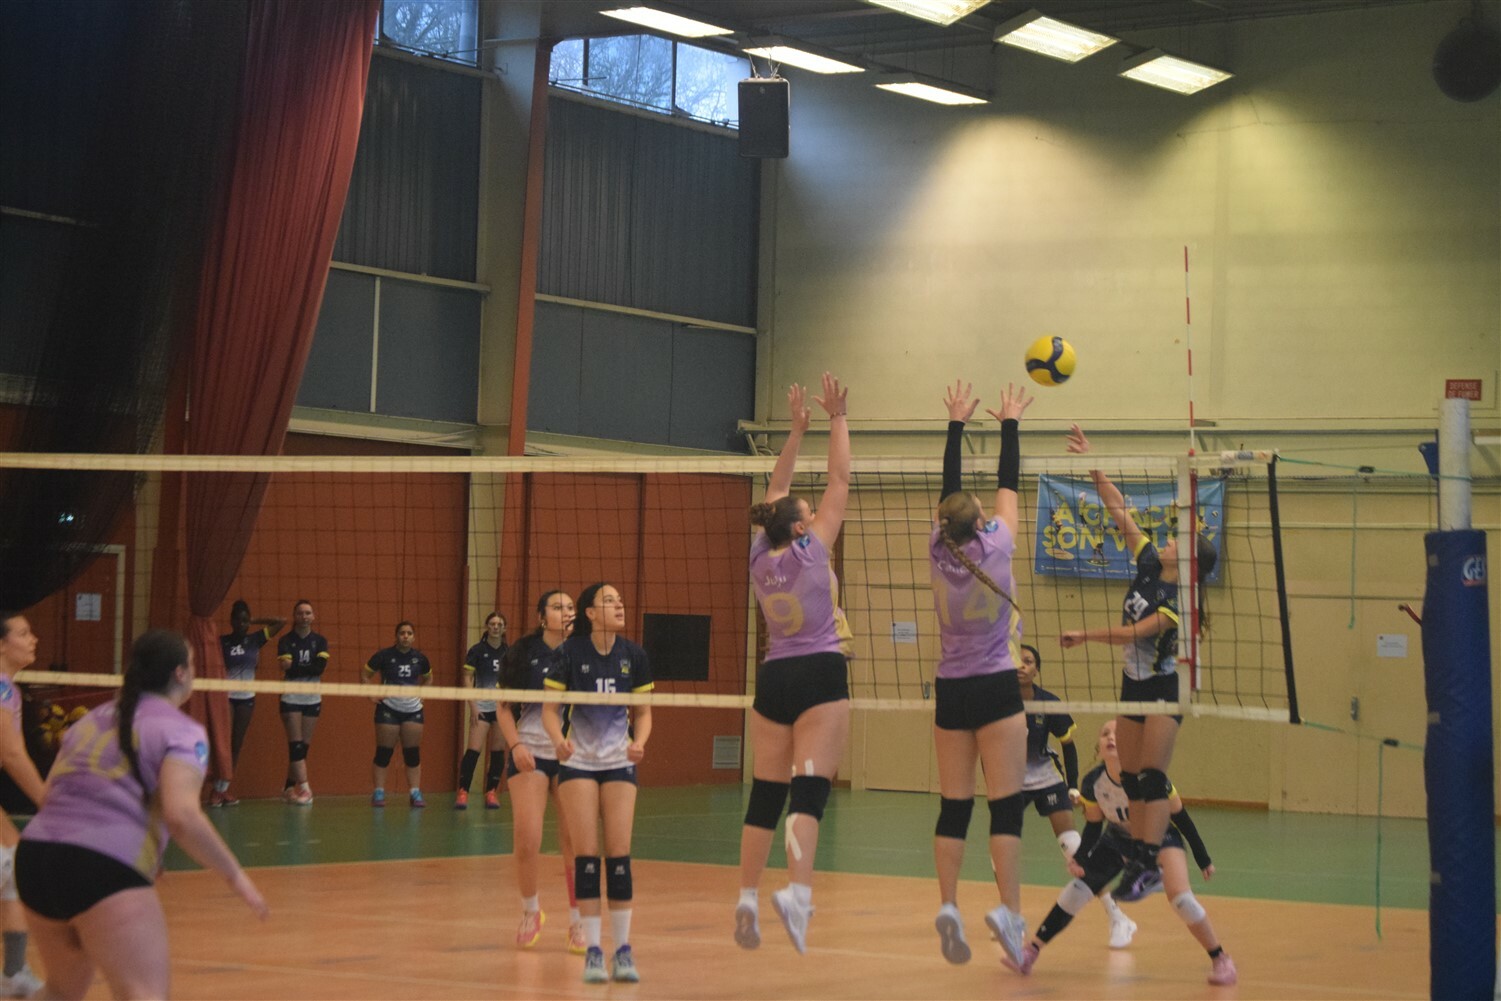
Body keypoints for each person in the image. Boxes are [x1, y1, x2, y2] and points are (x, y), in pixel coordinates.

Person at [16, 629, 268, 999]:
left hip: (35, 859)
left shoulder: (90, 720)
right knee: (143, 994)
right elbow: (182, 815)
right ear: (180, 673)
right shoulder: (181, 730)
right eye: (192, 664)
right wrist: (235, 876)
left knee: (60, 991)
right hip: (102, 867)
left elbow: (51, 792)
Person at [1059, 424, 1218, 902]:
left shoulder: (1178, 604)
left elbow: (1133, 634)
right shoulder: (1150, 564)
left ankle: (1147, 861)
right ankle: (1140, 857)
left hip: (1164, 691)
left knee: (1151, 776)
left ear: (1188, 563)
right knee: (1128, 775)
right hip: (1133, 683)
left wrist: (1085, 634)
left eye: (1179, 541)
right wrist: (1093, 464)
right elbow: (1119, 511)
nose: (1169, 541)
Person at [737, 373, 851, 956]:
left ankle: (746, 898)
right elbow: (840, 479)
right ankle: (798, 895)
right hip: (820, 672)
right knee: (809, 791)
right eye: (807, 510)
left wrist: (796, 430)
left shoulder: (760, 555)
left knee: (765, 792)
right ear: (802, 527)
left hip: (774, 676)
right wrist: (837, 418)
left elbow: (776, 487)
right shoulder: (811, 551)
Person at [926, 380, 1032, 968]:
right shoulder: (999, 545)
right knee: (1006, 807)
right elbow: (1008, 485)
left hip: (951, 690)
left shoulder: (937, 549)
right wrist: (1010, 422)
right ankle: (1009, 914)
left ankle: (948, 906)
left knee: (954, 806)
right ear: (982, 522)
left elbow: (950, 496)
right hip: (995, 685)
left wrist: (955, 425)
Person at [1005, 720, 1236, 986]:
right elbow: (1094, 827)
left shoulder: (1151, 778)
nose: (1111, 737)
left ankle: (1221, 959)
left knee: (1181, 899)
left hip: (1158, 838)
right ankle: (1030, 951)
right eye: (1105, 734)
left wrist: (1202, 858)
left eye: (1118, 733)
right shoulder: (1093, 783)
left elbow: (1181, 817)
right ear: (1099, 746)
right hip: (1117, 839)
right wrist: (1081, 859)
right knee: (1078, 889)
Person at [543, 583, 653, 984]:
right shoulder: (568, 653)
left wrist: (640, 743)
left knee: (619, 856)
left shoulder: (634, 655)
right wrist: (557, 741)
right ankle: (593, 951)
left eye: (620, 600)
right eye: (609, 601)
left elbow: (644, 712)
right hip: (578, 763)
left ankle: (622, 951)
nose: (619, 605)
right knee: (586, 857)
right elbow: (550, 710)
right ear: (589, 613)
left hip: (619, 761)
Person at [1016, 644, 1135, 949]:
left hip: (1046, 780)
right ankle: (1010, 917)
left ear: (1036, 669)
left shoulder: (1048, 703)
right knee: (1002, 846)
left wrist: (1072, 785)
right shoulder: (998, 702)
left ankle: (1118, 917)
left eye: (1028, 661)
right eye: (1017, 660)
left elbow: (1067, 745)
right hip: (1011, 782)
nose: (1021, 665)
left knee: (1073, 847)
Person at [497, 591, 585, 953]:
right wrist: (516, 745)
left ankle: (578, 921)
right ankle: (531, 912)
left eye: (570, 608)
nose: (566, 613)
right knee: (527, 838)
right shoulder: (522, 652)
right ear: (541, 616)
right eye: (558, 607)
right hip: (530, 752)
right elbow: (504, 707)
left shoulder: (584, 653)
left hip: (572, 755)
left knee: (575, 842)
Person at [0, 613, 49, 996]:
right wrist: (50, 802)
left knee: (13, 864)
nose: (33, 639)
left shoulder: (9, 689)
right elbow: (12, 755)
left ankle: (14, 973)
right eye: (23, 633)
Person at [212, 600, 285, 807]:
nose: (242, 624)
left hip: (246, 698)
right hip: (226, 697)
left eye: (245, 620)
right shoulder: (222, 642)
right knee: (223, 743)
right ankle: (215, 789)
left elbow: (281, 622)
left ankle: (223, 789)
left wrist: (253, 620)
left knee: (236, 744)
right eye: (239, 620)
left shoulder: (255, 639)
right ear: (232, 621)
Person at [362, 621, 432, 808]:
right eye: (402, 633)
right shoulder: (384, 655)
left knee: (412, 754)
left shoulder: (420, 658)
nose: (405, 636)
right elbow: (365, 675)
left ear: (413, 637)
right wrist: (371, 694)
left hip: (413, 710)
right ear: (396, 636)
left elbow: (429, 678)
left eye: (409, 633)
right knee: (384, 752)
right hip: (388, 709)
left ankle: (415, 792)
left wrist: (422, 694)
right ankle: (378, 792)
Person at [276, 599, 328, 805]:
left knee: (303, 748)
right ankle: (306, 789)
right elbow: (285, 667)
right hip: (291, 697)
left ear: (313, 616)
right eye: (300, 613)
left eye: (308, 613)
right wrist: (307, 667)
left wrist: (295, 666)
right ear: (295, 616)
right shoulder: (286, 641)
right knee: (295, 745)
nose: (304, 616)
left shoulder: (320, 641)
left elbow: (319, 669)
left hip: (312, 697)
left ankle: (288, 788)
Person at [456, 612, 508, 811]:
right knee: (473, 749)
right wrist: (473, 706)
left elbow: (513, 679)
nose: (496, 627)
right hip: (482, 707)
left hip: (501, 708)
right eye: (492, 624)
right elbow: (467, 678)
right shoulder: (477, 650)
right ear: (487, 626)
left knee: (498, 750)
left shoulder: (509, 652)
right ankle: (463, 791)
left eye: (499, 624)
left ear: (504, 628)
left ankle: (491, 792)